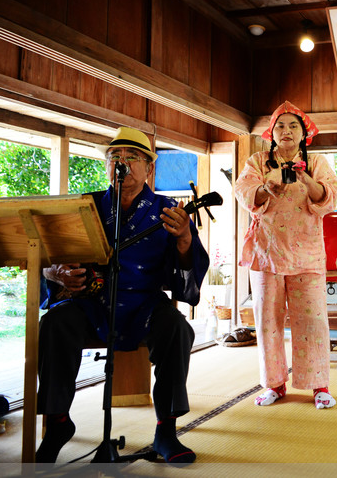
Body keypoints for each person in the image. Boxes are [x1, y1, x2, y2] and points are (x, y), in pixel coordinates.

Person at [37, 126, 209, 464]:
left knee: (176, 327)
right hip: (91, 303)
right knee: (55, 322)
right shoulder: (85, 206)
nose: (122, 164)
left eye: (132, 158)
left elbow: (185, 275)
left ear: (149, 168)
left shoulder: (167, 210)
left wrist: (186, 238)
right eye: (115, 157)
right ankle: (57, 422)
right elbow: (49, 256)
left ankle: (166, 431)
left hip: (144, 303)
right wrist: (57, 273)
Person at [235, 101, 337, 410]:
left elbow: (329, 197)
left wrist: (306, 178)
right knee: (268, 320)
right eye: (281, 126)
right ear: (271, 132)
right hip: (267, 251)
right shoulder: (257, 161)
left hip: (307, 251)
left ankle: (319, 386)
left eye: (294, 126)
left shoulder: (318, 161)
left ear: (304, 133)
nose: (287, 131)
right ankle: (274, 384)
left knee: (313, 320)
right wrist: (270, 184)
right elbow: (245, 193)